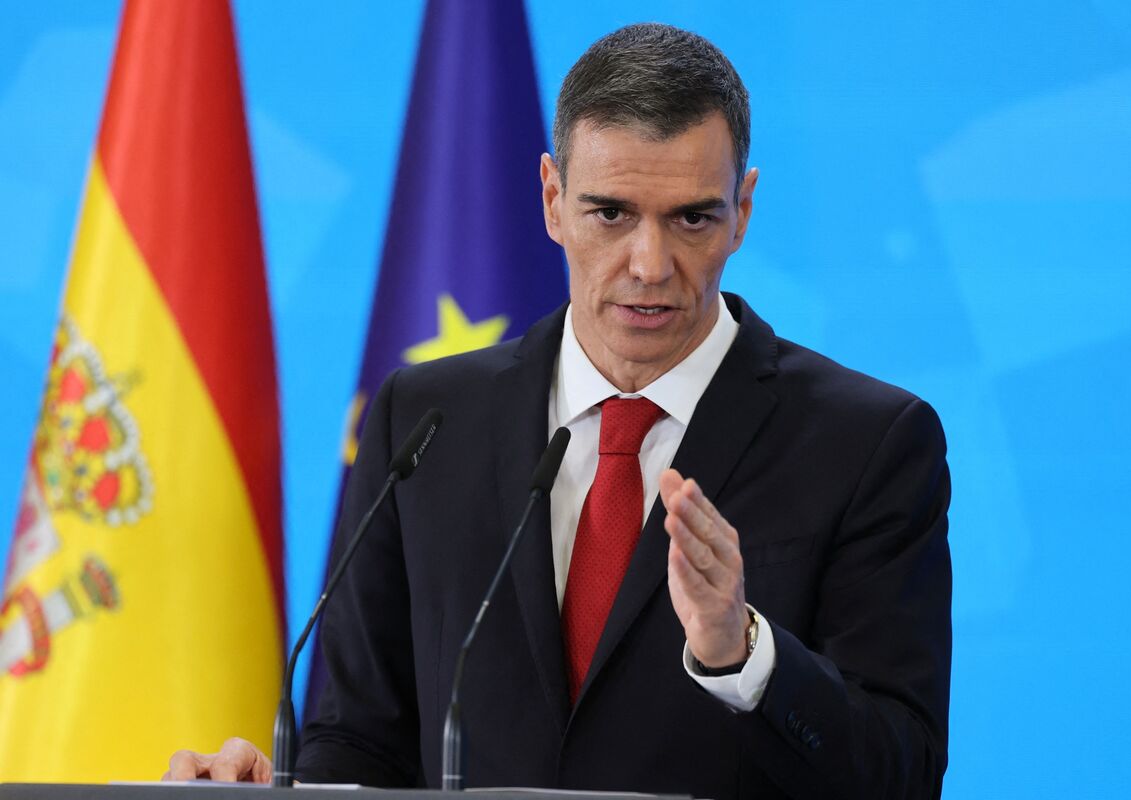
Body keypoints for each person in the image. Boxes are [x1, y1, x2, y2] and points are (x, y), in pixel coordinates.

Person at [166, 23, 951, 799]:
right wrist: (279, 790)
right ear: (552, 200)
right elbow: (362, 740)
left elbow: (904, 773)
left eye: (692, 218)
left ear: (741, 211)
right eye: (611, 214)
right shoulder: (425, 423)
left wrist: (745, 655)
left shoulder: (867, 444)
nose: (649, 265)